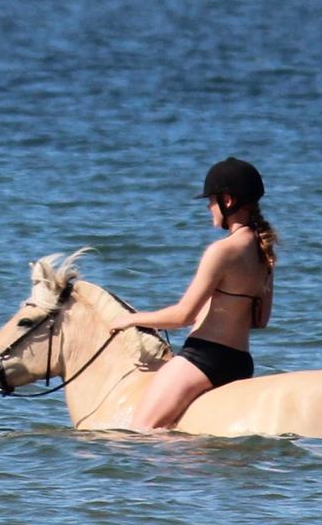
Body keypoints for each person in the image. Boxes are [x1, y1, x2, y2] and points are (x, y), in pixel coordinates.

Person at [110, 157, 277, 430]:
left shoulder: (222, 251)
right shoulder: (264, 252)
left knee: (139, 431)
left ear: (228, 200)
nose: (210, 208)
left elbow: (183, 315)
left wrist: (131, 319)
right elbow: (260, 320)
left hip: (204, 359)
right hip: (241, 362)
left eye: (211, 200)